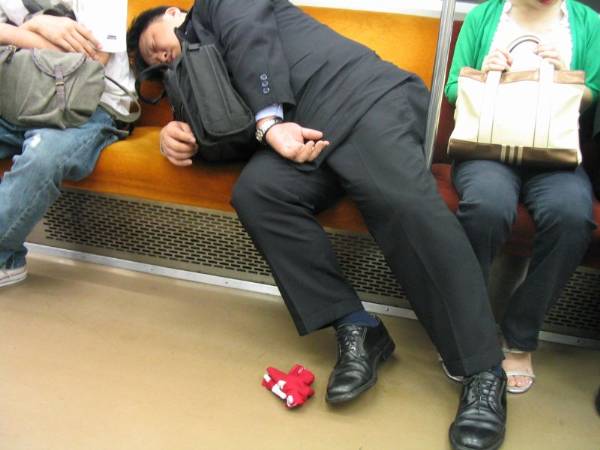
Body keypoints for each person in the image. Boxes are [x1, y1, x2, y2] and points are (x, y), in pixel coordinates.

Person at [128, 3, 508, 449]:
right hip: (304, 137)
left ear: (174, 13)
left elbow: (253, 41)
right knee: (258, 193)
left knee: (399, 202)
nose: (162, 60)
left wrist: (269, 123)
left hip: (361, 97)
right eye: (155, 65)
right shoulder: (193, 79)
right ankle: (357, 327)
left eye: (156, 46)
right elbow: (231, 134)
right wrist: (185, 136)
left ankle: (482, 369)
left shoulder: (218, 6)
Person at [445, 0, 600, 394]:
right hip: (487, 150)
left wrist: (566, 79)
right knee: (486, 207)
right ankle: (471, 333)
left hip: (554, 155)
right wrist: (485, 75)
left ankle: (519, 337)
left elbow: (594, 93)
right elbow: (450, 90)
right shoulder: (484, 17)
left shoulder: (587, 23)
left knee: (573, 215)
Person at [0, 0, 135, 289]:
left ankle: (5, 259)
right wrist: (35, 26)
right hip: (20, 93)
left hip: (90, 102)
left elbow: (90, 58)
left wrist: (14, 31)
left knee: (43, 156)